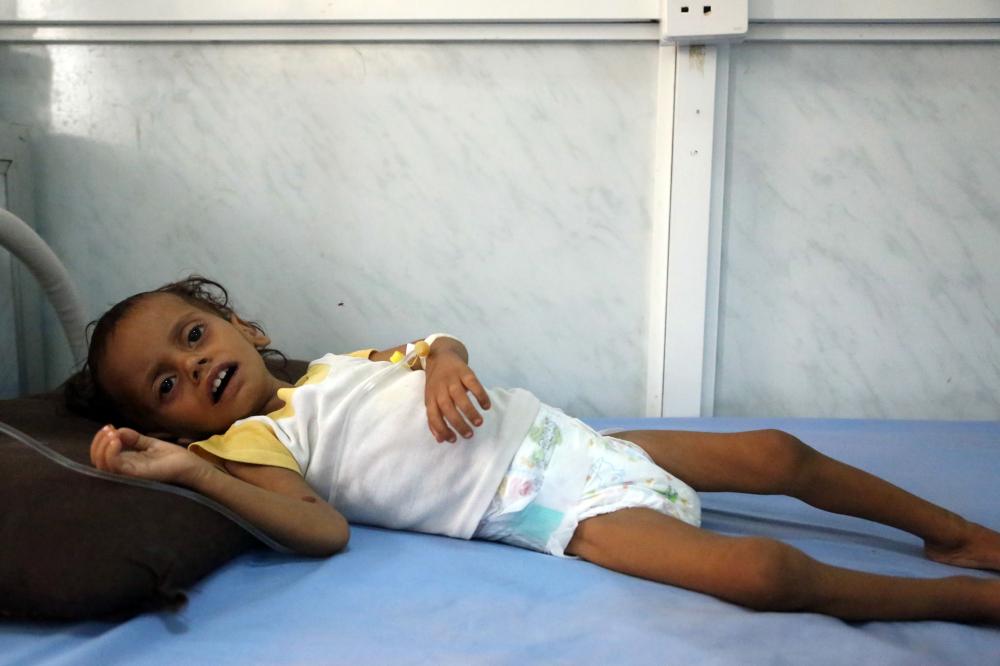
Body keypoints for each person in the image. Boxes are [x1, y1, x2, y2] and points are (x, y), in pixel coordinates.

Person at [70, 276, 1000, 624]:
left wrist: (444, 362)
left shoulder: (328, 367)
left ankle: (953, 531)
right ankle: (957, 603)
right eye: (166, 387)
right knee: (757, 571)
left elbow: (432, 345)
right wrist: (196, 474)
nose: (195, 371)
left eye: (193, 338)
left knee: (775, 452)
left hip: (579, 437)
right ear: (178, 426)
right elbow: (318, 531)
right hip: (556, 509)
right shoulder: (254, 443)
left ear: (235, 322)